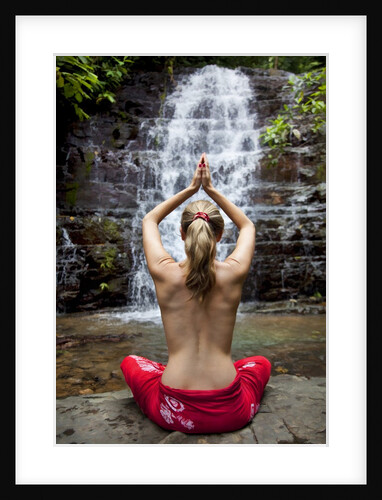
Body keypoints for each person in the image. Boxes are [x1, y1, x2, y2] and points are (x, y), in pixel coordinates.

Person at [120, 152, 271, 434]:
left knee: (131, 362)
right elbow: (248, 226)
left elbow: (150, 220)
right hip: (230, 411)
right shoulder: (234, 271)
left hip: (173, 410)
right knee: (260, 363)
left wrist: (191, 189)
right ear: (220, 234)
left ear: (182, 233)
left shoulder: (164, 272)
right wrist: (211, 190)